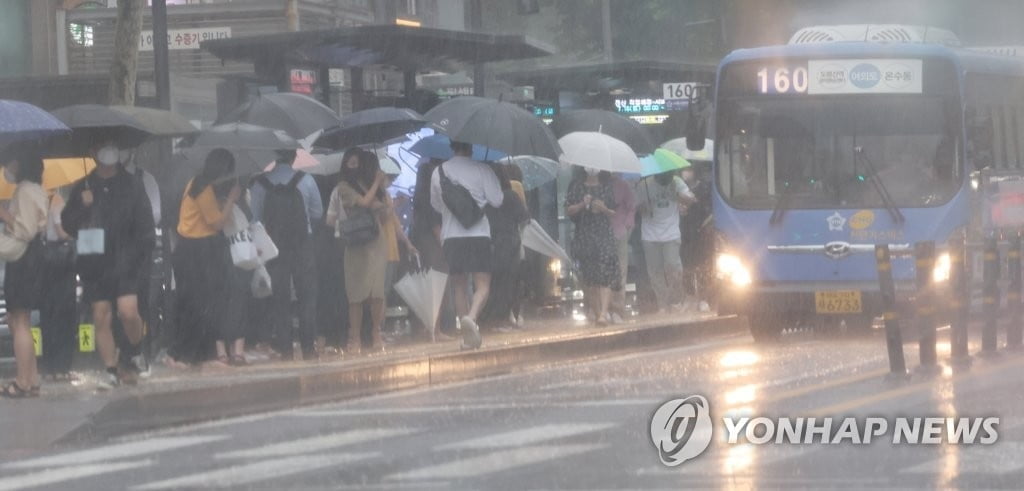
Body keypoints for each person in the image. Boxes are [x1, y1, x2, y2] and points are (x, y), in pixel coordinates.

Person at [62, 142, 155, 387]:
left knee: (128, 311)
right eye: (103, 147)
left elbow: (145, 226)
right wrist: (83, 206)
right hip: (94, 262)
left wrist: (138, 255)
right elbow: (68, 224)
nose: (109, 152)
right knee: (100, 315)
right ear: (92, 153)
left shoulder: (133, 185)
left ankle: (134, 351)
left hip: (126, 259)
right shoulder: (83, 186)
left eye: (113, 146)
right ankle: (111, 370)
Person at [167, 148, 241, 368]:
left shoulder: (196, 183)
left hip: (192, 249)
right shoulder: (203, 188)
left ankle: (193, 354)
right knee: (197, 304)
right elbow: (217, 222)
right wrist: (231, 200)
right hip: (197, 251)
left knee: (196, 304)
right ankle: (183, 354)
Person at [250, 149, 322, 360]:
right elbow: (317, 213)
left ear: (275, 157)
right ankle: (309, 347)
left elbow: (255, 219)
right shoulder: (306, 180)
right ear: (293, 158)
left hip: (274, 246)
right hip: (302, 244)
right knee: (306, 296)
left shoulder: (260, 184)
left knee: (280, 297)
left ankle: (285, 348)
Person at [431, 141, 504, 348]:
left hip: (451, 237)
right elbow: (497, 200)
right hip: (479, 234)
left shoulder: (439, 172)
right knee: (483, 286)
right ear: (471, 147)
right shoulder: (483, 169)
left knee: (459, 286)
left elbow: (435, 204)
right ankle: (471, 319)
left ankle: (466, 336)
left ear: (451, 146)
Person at [327, 148, 390, 355]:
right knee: (355, 292)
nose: (354, 167)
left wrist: (382, 188)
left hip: (376, 240)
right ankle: (354, 337)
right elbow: (364, 203)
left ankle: (375, 332)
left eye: (357, 163)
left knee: (377, 291)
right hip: (355, 242)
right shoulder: (343, 186)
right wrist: (375, 186)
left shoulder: (366, 183)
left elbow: (384, 211)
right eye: (350, 163)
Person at [0, 152, 46, 398]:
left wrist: (5, 214)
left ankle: (22, 381)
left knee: (20, 322)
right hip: (30, 258)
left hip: (24, 258)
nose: (7, 167)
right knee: (21, 321)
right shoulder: (34, 189)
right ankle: (31, 378)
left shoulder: (25, 190)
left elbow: (26, 230)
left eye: (9, 161)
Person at [636, 170, 697, 313]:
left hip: (671, 233)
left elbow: (691, 199)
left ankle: (675, 299)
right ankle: (662, 304)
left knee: (673, 267)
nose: (666, 179)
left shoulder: (676, 182)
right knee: (655, 271)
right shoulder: (644, 185)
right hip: (650, 235)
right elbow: (635, 206)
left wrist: (677, 195)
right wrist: (643, 207)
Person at [565, 167, 620, 326]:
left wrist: (603, 209)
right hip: (584, 236)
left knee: (605, 275)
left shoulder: (606, 187)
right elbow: (569, 210)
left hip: (603, 235)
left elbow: (614, 212)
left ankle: (603, 314)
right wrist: (583, 204)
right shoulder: (576, 186)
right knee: (589, 278)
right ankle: (597, 313)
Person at [478, 164, 529, 329]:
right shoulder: (511, 196)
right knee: (508, 282)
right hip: (510, 243)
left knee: (491, 283)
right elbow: (524, 218)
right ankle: (502, 318)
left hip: (489, 243)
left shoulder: (484, 198)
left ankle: (487, 318)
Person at [410, 158, 453, 341]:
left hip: (419, 239)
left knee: (426, 285)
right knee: (438, 282)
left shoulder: (419, 198)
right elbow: (435, 221)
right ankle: (435, 329)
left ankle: (424, 327)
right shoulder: (433, 196)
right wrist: (443, 240)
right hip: (434, 241)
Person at [39, 187, 78, 381]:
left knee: (48, 315)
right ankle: (62, 366)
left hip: (46, 266)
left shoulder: (41, 202)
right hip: (62, 266)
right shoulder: (57, 201)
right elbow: (62, 232)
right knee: (65, 315)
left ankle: (50, 366)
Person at [680, 164, 713, 312]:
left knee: (703, 265)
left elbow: (710, 210)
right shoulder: (680, 189)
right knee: (687, 266)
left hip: (702, 232)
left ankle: (704, 298)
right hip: (685, 232)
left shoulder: (705, 188)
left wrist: (704, 224)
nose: (685, 173)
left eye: (688, 169)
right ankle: (689, 296)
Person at [608, 172, 637, 323]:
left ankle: (618, 309)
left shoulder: (623, 185)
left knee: (620, 272)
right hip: (601, 235)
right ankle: (604, 308)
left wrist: (628, 223)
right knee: (604, 273)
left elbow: (632, 207)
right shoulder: (597, 185)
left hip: (620, 233)